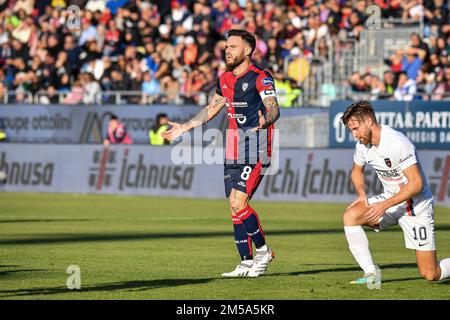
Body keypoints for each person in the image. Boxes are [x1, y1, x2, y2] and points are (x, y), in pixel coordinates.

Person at [162, 29, 280, 278]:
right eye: (226, 47)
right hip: (233, 149)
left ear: (247, 50)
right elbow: (212, 108)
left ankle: (264, 252)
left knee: (239, 202)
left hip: (257, 147)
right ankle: (246, 262)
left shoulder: (261, 77)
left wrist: (266, 120)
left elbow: (273, 108)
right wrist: (184, 127)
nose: (227, 50)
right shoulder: (224, 79)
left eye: (233, 47)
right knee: (233, 206)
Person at [341, 101, 450, 285]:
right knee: (351, 216)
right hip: (392, 202)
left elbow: (416, 183)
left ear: (369, 121)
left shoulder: (397, 142)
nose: (355, 135)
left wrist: (383, 205)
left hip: (416, 207)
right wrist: (361, 195)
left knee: (430, 273)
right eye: (351, 131)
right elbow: (356, 170)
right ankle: (371, 274)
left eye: (356, 129)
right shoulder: (362, 146)